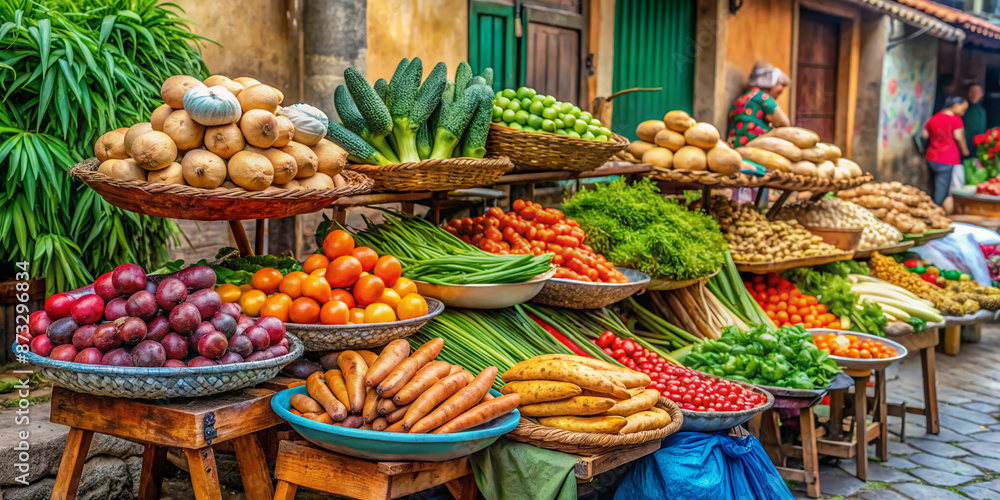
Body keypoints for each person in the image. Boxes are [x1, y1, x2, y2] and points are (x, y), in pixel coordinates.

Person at [727, 63, 791, 147]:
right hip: (752, 148)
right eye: (778, 92)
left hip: (733, 147)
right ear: (769, 85)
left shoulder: (742, 99)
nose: (776, 97)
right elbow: (784, 123)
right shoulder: (762, 96)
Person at [922, 96, 970, 206]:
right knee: (941, 191)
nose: (964, 112)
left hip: (932, 157)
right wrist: (965, 151)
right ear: (956, 105)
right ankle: (936, 211)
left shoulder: (934, 117)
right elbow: (958, 137)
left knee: (932, 186)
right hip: (947, 159)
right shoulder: (956, 120)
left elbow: (925, 135)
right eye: (963, 108)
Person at [964, 83, 987, 158]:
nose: (974, 95)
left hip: (979, 148)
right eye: (971, 92)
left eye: (977, 92)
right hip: (963, 147)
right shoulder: (962, 110)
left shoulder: (983, 111)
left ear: (982, 94)